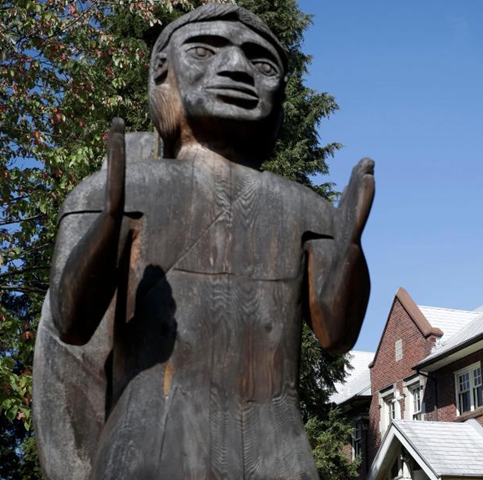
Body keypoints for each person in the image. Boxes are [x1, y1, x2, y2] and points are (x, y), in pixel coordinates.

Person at [33, 5, 373, 479]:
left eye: (262, 63)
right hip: (150, 448)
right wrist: (109, 221)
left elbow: (337, 333)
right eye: (204, 50)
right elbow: (70, 328)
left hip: (277, 450)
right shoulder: (115, 188)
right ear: (162, 70)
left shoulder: (307, 210)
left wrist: (350, 244)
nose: (235, 68)